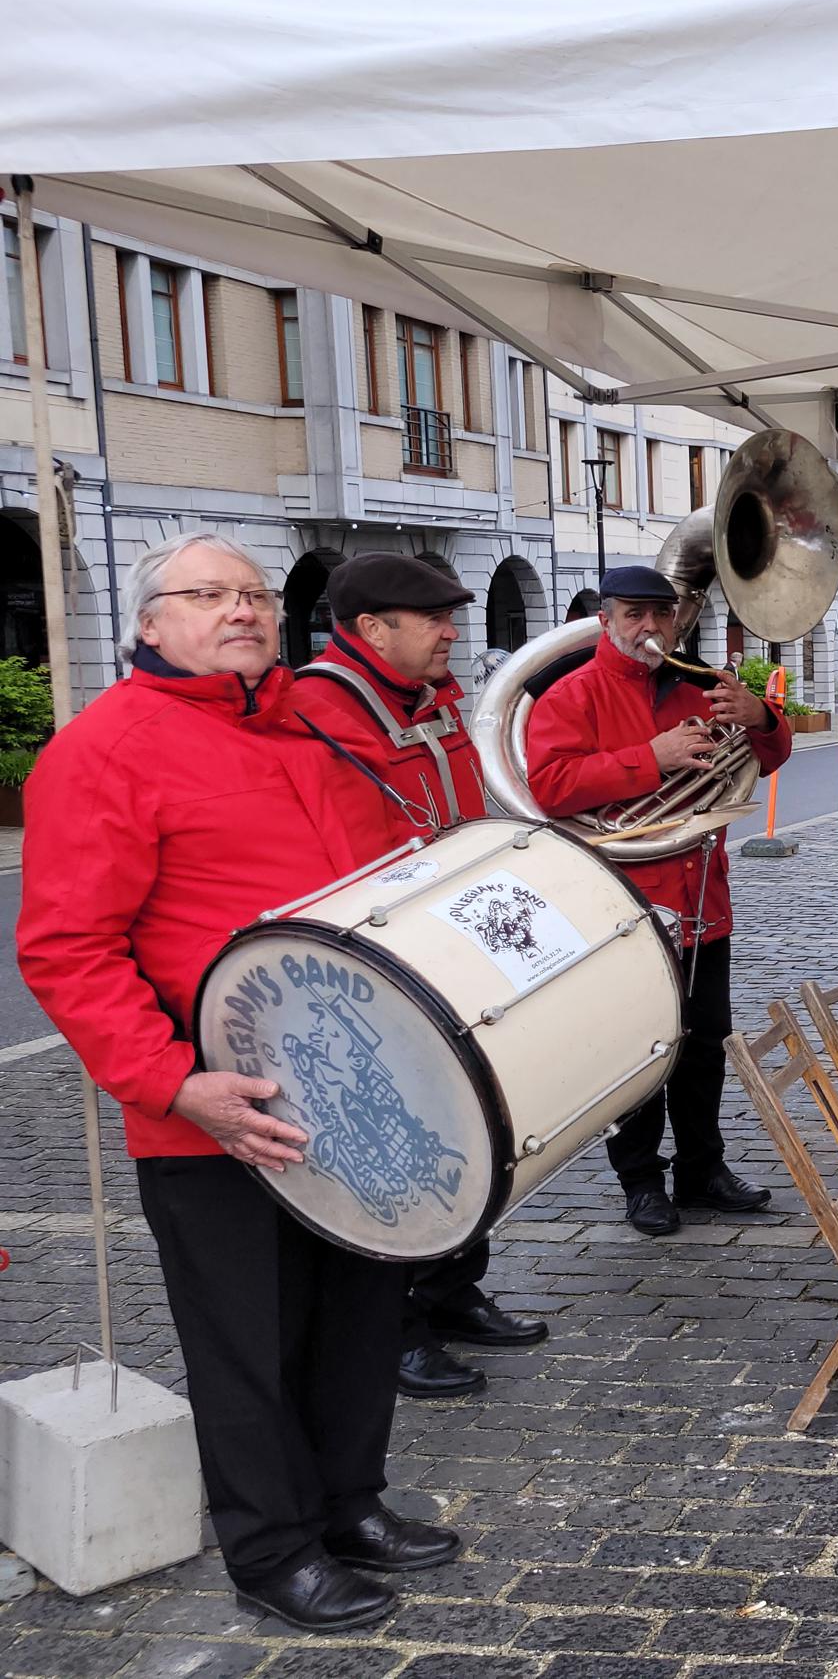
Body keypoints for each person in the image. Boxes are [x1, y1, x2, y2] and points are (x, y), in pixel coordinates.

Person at [19, 533, 458, 1633]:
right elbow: (68, 948)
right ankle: (271, 1548)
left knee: (359, 1313)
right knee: (248, 1342)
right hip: (216, 1111)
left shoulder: (309, 724)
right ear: (148, 623)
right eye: (208, 594)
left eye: (255, 593)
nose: (242, 610)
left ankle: (348, 1504)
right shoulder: (101, 749)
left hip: (350, 1090)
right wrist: (174, 1084)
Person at [290, 553, 550, 1402]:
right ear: (371, 628)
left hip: (447, 947)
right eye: (434, 620)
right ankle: (392, 1327)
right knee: (388, 1143)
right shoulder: (316, 714)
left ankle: (450, 1290)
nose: (451, 633)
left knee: (466, 1128)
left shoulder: (428, 700)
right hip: (374, 972)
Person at [525, 564, 791, 1238]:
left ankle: (702, 1169)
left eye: (661, 614)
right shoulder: (571, 692)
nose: (650, 627)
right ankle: (640, 1181)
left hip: (701, 898)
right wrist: (652, 756)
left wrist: (763, 718)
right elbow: (550, 787)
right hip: (620, 905)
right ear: (606, 619)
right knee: (636, 1052)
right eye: (634, 614)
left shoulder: (699, 684)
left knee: (704, 1047)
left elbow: (767, 757)